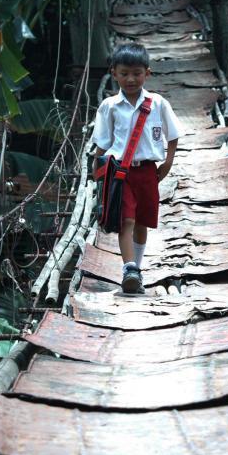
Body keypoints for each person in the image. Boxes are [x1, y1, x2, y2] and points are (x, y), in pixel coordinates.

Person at [91, 42, 182, 294]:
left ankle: (136, 270)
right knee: (126, 220)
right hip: (120, 171)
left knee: (142, 221)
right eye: (124, 73)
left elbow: (173, 135)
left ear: (147, 73)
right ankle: (129, 268)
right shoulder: (109, 106)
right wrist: (96, 172)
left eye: (137, 73)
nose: (130, 79)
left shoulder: (158, 103)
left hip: (148, 172)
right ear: (114, 73)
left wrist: (168, 162)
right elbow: (102, 142)